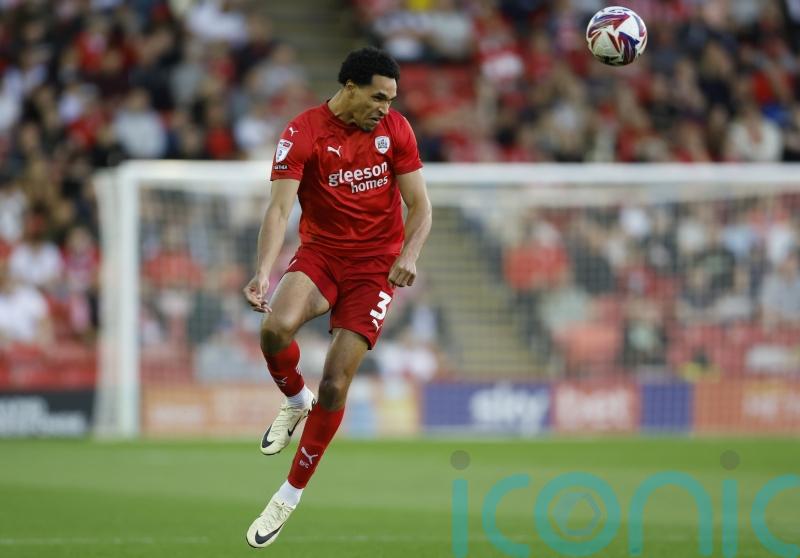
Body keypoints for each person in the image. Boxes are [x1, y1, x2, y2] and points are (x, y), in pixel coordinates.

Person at [242, 46, 432, 548]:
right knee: (273, 328)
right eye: (378, 97)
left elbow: (421, 206)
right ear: (349, 88)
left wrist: (409, 253)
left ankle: (287, 496)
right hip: (323, 253)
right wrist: (262, 272)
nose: (385, 108)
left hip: (375, 268)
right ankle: (292, 399)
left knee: (335, 384)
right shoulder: (301, 133)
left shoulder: (397, 132)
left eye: (391, 99)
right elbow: (279, 210)